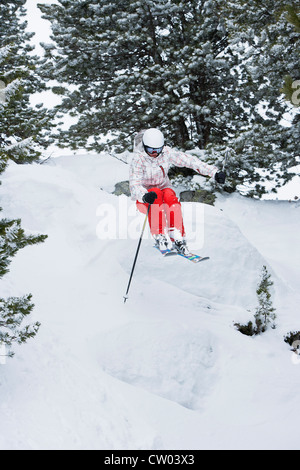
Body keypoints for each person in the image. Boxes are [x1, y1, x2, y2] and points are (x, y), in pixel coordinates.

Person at [129, 128, 226, 254]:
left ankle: (177, 235)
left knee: (170, 196)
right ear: (144, 146)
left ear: (162, 147)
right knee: (156, 193)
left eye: (157, 150)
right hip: (145, 198)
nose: (154, 153)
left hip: (163, 189)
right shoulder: (138, 159)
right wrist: (144, 195)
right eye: (151, 150)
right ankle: (160, 235)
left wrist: (214, 172)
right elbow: (134, 184)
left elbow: (189, 161)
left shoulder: (166, 153)